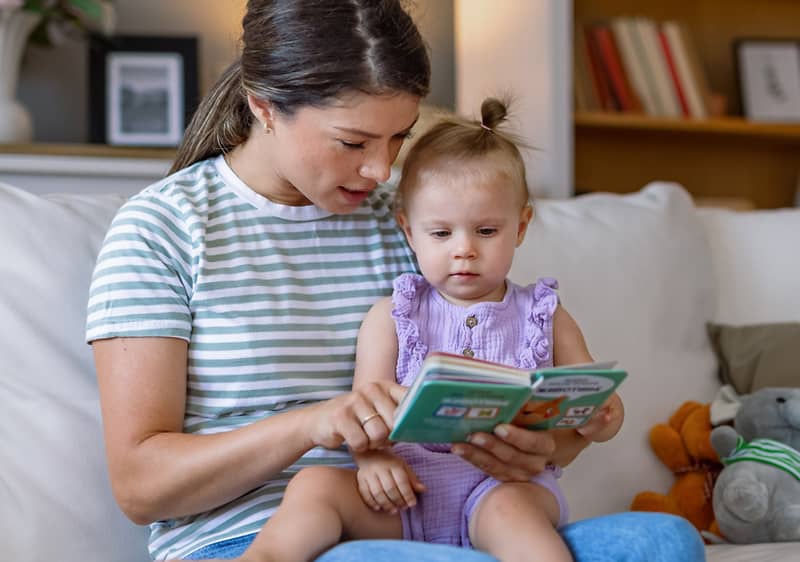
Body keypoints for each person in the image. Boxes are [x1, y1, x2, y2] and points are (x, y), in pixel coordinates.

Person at [85, 1, 706, 561]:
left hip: (437, 521)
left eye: (398, 138)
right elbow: (141, 487)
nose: (381, 169)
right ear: (264, 106)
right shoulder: (163, 229)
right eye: (352, 141)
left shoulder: (417, 226)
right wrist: (311, 423)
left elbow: (507, 387)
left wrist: (542, 448)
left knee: (663, 543)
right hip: (254, 539)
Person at [231, 98, 623, 562]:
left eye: (485, 231)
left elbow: (594, 400)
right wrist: (373, 461)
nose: (464, 251)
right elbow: (366, 411)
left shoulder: (545, 313)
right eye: (441, 234)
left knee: (510, 512)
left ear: (520, 227)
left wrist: (603, 418)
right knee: (314, 484)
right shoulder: (392, 316)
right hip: (407, 493)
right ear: (408, 231)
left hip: (503, 490)